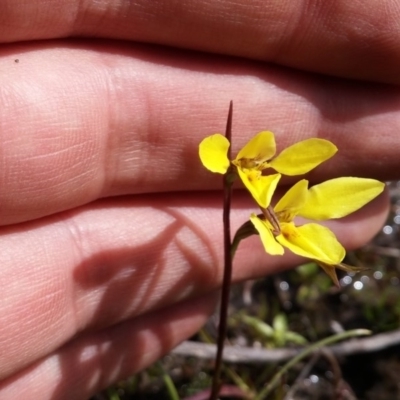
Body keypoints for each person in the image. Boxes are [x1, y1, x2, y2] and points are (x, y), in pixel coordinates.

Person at [0, 1, 396, 398]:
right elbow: (219, 158)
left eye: (256, 168)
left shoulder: (269, 206)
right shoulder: (232, 170)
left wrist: (282, 220)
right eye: (248, 166)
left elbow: (285, 203)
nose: (255, 172)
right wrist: (257, 193)